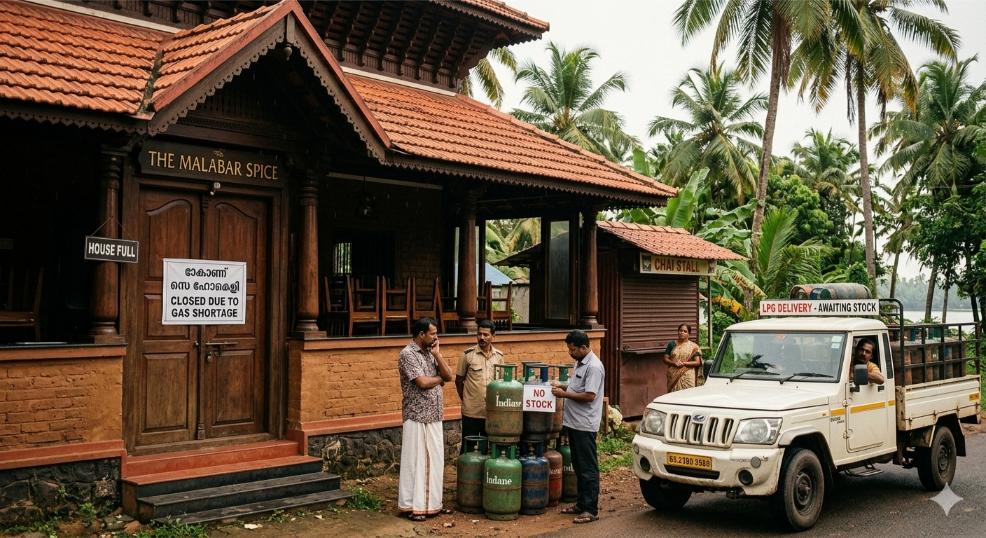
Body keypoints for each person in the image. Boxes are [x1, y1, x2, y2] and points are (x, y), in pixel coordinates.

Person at [398, 317, 454, 521]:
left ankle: (432, 505)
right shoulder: (407, 354)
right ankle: (413, 507)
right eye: (433, 333)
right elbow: (421, 382)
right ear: (421, 334)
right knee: (416, 462)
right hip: (417, 415)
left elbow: (449, 375)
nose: (436, 337)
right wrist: (439, 380)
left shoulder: (431, 353)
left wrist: (438, 354)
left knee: (435, 461)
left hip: (435, 414)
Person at [551, 330, 604, 524]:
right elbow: (578, 388)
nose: (570, 353)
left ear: (584, 347)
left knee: (588, 467)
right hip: (574, 422)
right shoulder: (580, 362)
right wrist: (563, 386)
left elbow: (589, 395)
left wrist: (564, 395)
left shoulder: (594, 367)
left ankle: (591, 509)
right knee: (579, 466)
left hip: (585, 424)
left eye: (573, 350)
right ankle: (581, 504)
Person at [455, 318, 503, 453]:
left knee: (488, 449)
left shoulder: (499, 357)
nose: (482, 337)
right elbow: (458, 381)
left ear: (493, 336)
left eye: (486, 334)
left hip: (491, 411)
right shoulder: (467, 355)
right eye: (479, 334)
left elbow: (501, 383)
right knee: (468, 448)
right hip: (471, 411)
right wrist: (466, 400)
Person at [663, 323, 703, 392]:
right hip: (673, 374)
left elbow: (697, 362)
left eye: (685, 331)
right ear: (678, 332)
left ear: (689, 334)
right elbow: (665, 359)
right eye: (680, 330)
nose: (682, 332)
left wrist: (683, 363)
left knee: (688, 394)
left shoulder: (694, 347)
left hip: (688, 375)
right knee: (673, 394)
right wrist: (674, 363)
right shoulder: (671, 344)